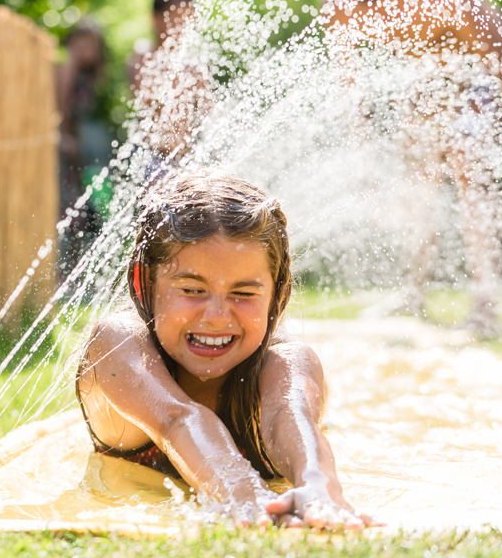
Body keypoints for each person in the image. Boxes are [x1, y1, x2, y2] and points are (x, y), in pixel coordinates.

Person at [75, 170, 376, 528]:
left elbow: (289, 415)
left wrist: (318, 488)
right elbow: (177, 418)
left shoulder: (286, 360)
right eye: (191, 289)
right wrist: (245, 491)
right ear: (144, 282)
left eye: (244, 294)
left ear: (276, 295)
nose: (217, 316)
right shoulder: (117, 345)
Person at [328, 0, 502, 331]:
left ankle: (485, 302)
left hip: (480, 73)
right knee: (416, 185)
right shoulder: (342, 3)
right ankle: (414, 293)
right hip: (426, 81)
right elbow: (352, 93)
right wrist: (366, 168)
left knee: (468, 172)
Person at [128, 0, 212, 183]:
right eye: (174, 18)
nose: (180, 27)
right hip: (152, 155)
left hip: (185, 158)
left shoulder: (194, 65)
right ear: (155, 19)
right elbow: (146, 98)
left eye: (187, 19)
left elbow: (209, 112)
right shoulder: (144, 55)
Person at [56, 18, 106, 280]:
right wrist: (64, 135)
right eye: (84, 42)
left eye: (93, 45)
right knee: (70, 206)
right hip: (64, 148)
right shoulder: (68, 65)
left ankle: (71, 273)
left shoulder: (86, 74)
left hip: (75, 152)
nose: (88, 49)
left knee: (77, 207)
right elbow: (61, 103)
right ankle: (66, 274)